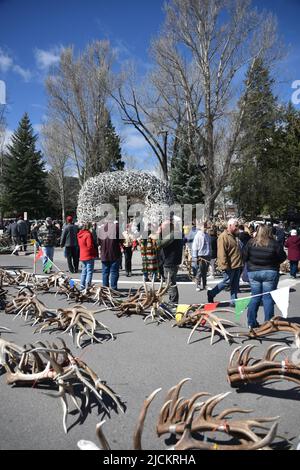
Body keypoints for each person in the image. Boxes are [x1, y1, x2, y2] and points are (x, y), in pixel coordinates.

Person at [244, 225, 287, 329]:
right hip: (270, 271)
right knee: (268, 298)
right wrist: (274, 262)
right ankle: (268, 323)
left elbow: (244, 256)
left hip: (254, 271)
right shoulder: (274, 243)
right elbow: (282, 257)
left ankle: (251, 322)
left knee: (255, 297)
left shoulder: (251, 242)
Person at [207, 218, 243, 305]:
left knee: (235, 284)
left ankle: (234, 301)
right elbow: (221, 253)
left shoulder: (235, 236)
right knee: (227, 282)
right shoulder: (223, 237)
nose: (237, 228)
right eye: (236, 226)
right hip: (229, 265)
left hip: (237, 264)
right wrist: (224, 265)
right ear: (230, 226)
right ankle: (211, 293)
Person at [98, 218, 121, 290]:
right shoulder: (116, 227)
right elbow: (121, 239)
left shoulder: (101, 228)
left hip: (104, 253)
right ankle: (113, 289)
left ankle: (105, 289)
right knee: (114, 272)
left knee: (105, 272)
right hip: (114, 252)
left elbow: (98, 241)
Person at [77, 222, 97, 290]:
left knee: (84, 272)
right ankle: (88, 287)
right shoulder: (88, 234)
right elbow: (90, 246)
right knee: (89, 272)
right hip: (88, 255)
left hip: (82, 254)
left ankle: (82, 286)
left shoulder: (79, 234)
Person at [192, 222, 211, 291]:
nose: (205, 228)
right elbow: (195, 246)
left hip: (207, 255)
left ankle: (205, 285)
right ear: (201, 227)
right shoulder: (198, 235)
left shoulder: (207, 235)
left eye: (206, 227)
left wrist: (210, 254)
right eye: (204, 227)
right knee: (200, 271)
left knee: (205, 271)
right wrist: (195, 256)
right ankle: (198, 285)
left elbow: (209, 245)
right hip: (200, 255)